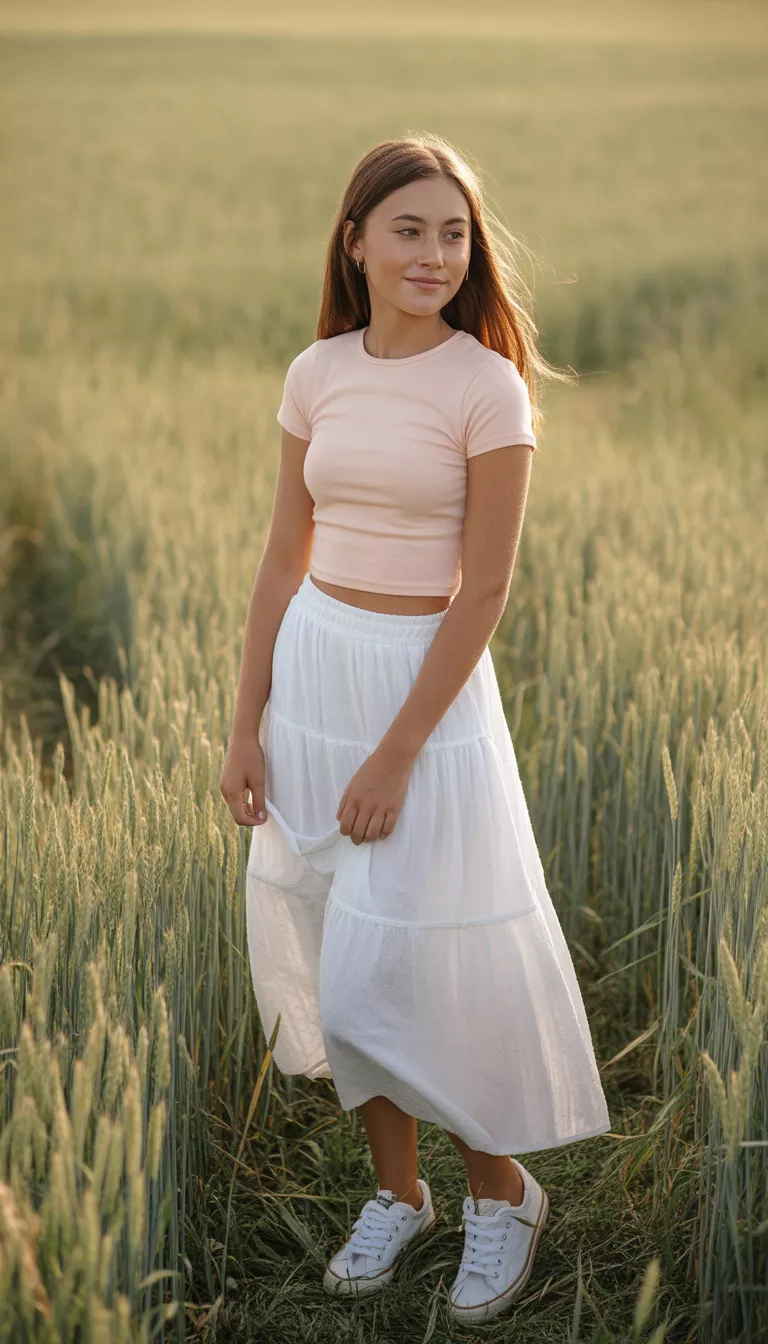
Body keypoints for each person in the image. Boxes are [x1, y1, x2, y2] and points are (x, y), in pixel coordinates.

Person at [220, 132, 611, 1325]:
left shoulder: (486, 388)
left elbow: (484, 590)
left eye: (454, 233)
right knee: (345, 963)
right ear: (356, 241)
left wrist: (396, 751)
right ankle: (401, 1195)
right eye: (409, 229)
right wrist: (247, 726)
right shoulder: (318, 371)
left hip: (421, 705)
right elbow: (284, 556)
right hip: (315, 676)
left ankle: (502, 1191)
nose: (435, 253)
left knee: (427, 960)